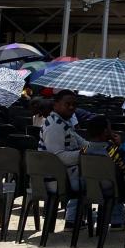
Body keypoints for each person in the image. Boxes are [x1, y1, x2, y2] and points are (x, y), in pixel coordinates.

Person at [38, 90, 87, 225]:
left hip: (66, 174)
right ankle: (73, 220)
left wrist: (97, 147)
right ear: (56, 105)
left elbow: (83, 143)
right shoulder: (54, 125)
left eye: (74, 104)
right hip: (55, 178)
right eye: (67, 104)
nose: (71, 107)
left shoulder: (64, 123)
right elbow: (58, 157)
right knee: (102, 181)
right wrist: (83, 155)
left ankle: (73, 219)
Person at [82, 115, 125, 227]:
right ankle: (116, 220)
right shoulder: (111, 150)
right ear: (106, 131)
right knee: (119, 180)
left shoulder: (84, 150)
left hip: (87, 188)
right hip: (109, 190)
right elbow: (123, 167)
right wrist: (120, 146)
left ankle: (71, 220)